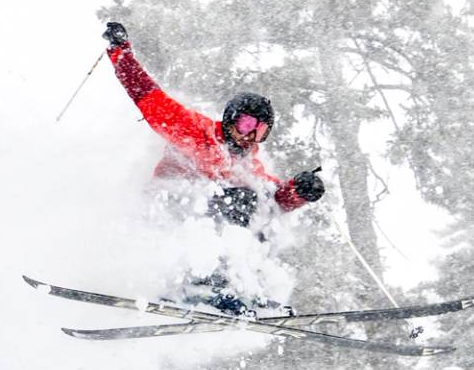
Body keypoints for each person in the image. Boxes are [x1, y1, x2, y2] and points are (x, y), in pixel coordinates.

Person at [101, 20, 325, 313]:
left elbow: (274, 198)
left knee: (255, 207)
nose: (248, 135)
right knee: (232, 198)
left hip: (201, 222)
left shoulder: (247, 165)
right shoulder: (195, 131)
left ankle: (238, 284)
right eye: (246, 124)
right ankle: (197, 283)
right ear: (231, 118)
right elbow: (149, 99)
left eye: (259, 130)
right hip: (168, 207)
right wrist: (120, 52)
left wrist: (299, 191)